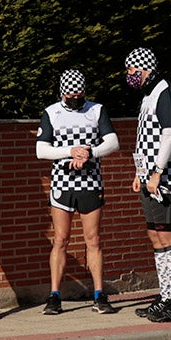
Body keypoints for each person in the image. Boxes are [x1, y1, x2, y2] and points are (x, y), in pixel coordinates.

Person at [36, 69, 120, 315]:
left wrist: (89, 152)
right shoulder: (51, 113)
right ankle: (54, 296)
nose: (75, 97)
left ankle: (99, 294)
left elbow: (113, 142)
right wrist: (71, 151)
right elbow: (41, 150)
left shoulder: (96, 110)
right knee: (61, 239)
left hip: (90, 183)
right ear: (62, 92)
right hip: (62, 184)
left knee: (93, 240)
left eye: (79, 92)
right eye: (71, 93)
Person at [124, 48, 171, 323]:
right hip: (150, 177)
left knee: (168, 234)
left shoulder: (165, 91)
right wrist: (141, 172)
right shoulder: (148, 95)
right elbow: (145, 138)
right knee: (155, 234)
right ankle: (165, 295)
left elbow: (169, 134)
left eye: (131, 72)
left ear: (145, 69)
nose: (129, 77)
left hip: (165, 178)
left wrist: (158, 172)